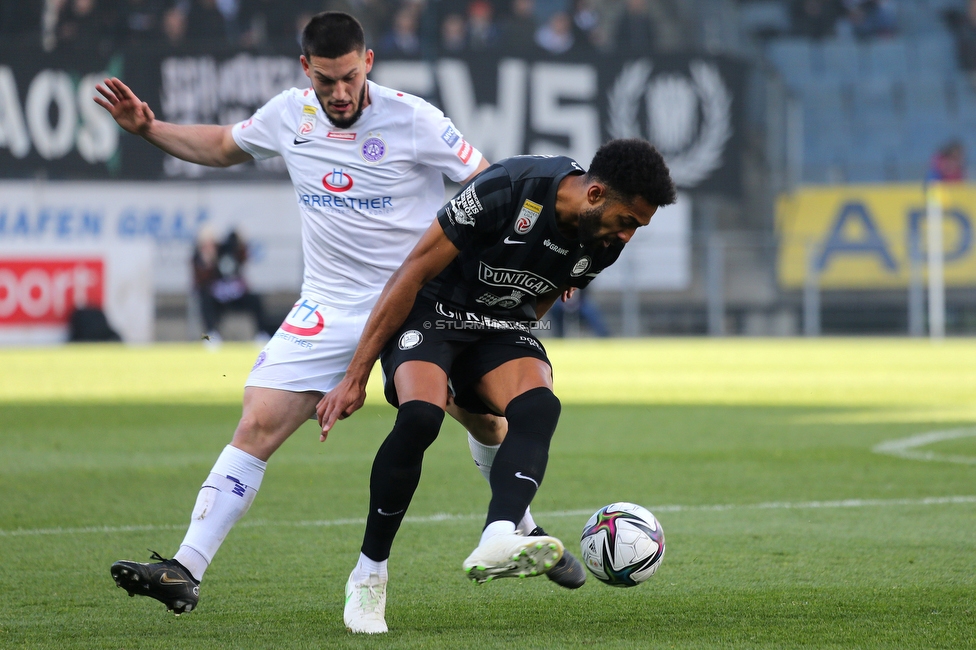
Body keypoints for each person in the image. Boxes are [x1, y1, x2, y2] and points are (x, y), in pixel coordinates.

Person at [96, 11, 583, 620]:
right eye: (327, 81)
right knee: (258, 422)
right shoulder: (287, 115)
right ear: (307, 71)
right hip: (328, 304)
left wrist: (537, 261)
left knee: (485, 424)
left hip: (420, 302)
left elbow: (492, 187)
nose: (340, 92)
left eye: (350, 77)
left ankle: (517, 528)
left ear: (368, 63)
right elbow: (222, 146)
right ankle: (185, 567)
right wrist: (148, 128)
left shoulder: (415, 118)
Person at [318, 139, 677, 634]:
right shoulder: (507, 189)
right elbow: (413, 270)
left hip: (499, 323)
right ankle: (369, 574)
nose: (628, 235)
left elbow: (541, 297)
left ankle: (499, 534)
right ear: (594, 193)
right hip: (433, 309)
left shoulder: (603, 243)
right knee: (420, 417)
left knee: (538, 406)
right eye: (628, 221)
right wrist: (355, 376)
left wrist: (484, 383)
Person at [192, 226, 275, 344]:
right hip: (215, 299)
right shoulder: (197, 258)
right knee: (204, 302)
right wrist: (207, 264)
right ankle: (210, 338)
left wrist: (239, 240)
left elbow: (242, 257)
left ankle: (261, 334)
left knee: (256, 300)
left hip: (235, 296)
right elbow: (198, 283)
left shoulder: (225, 251)